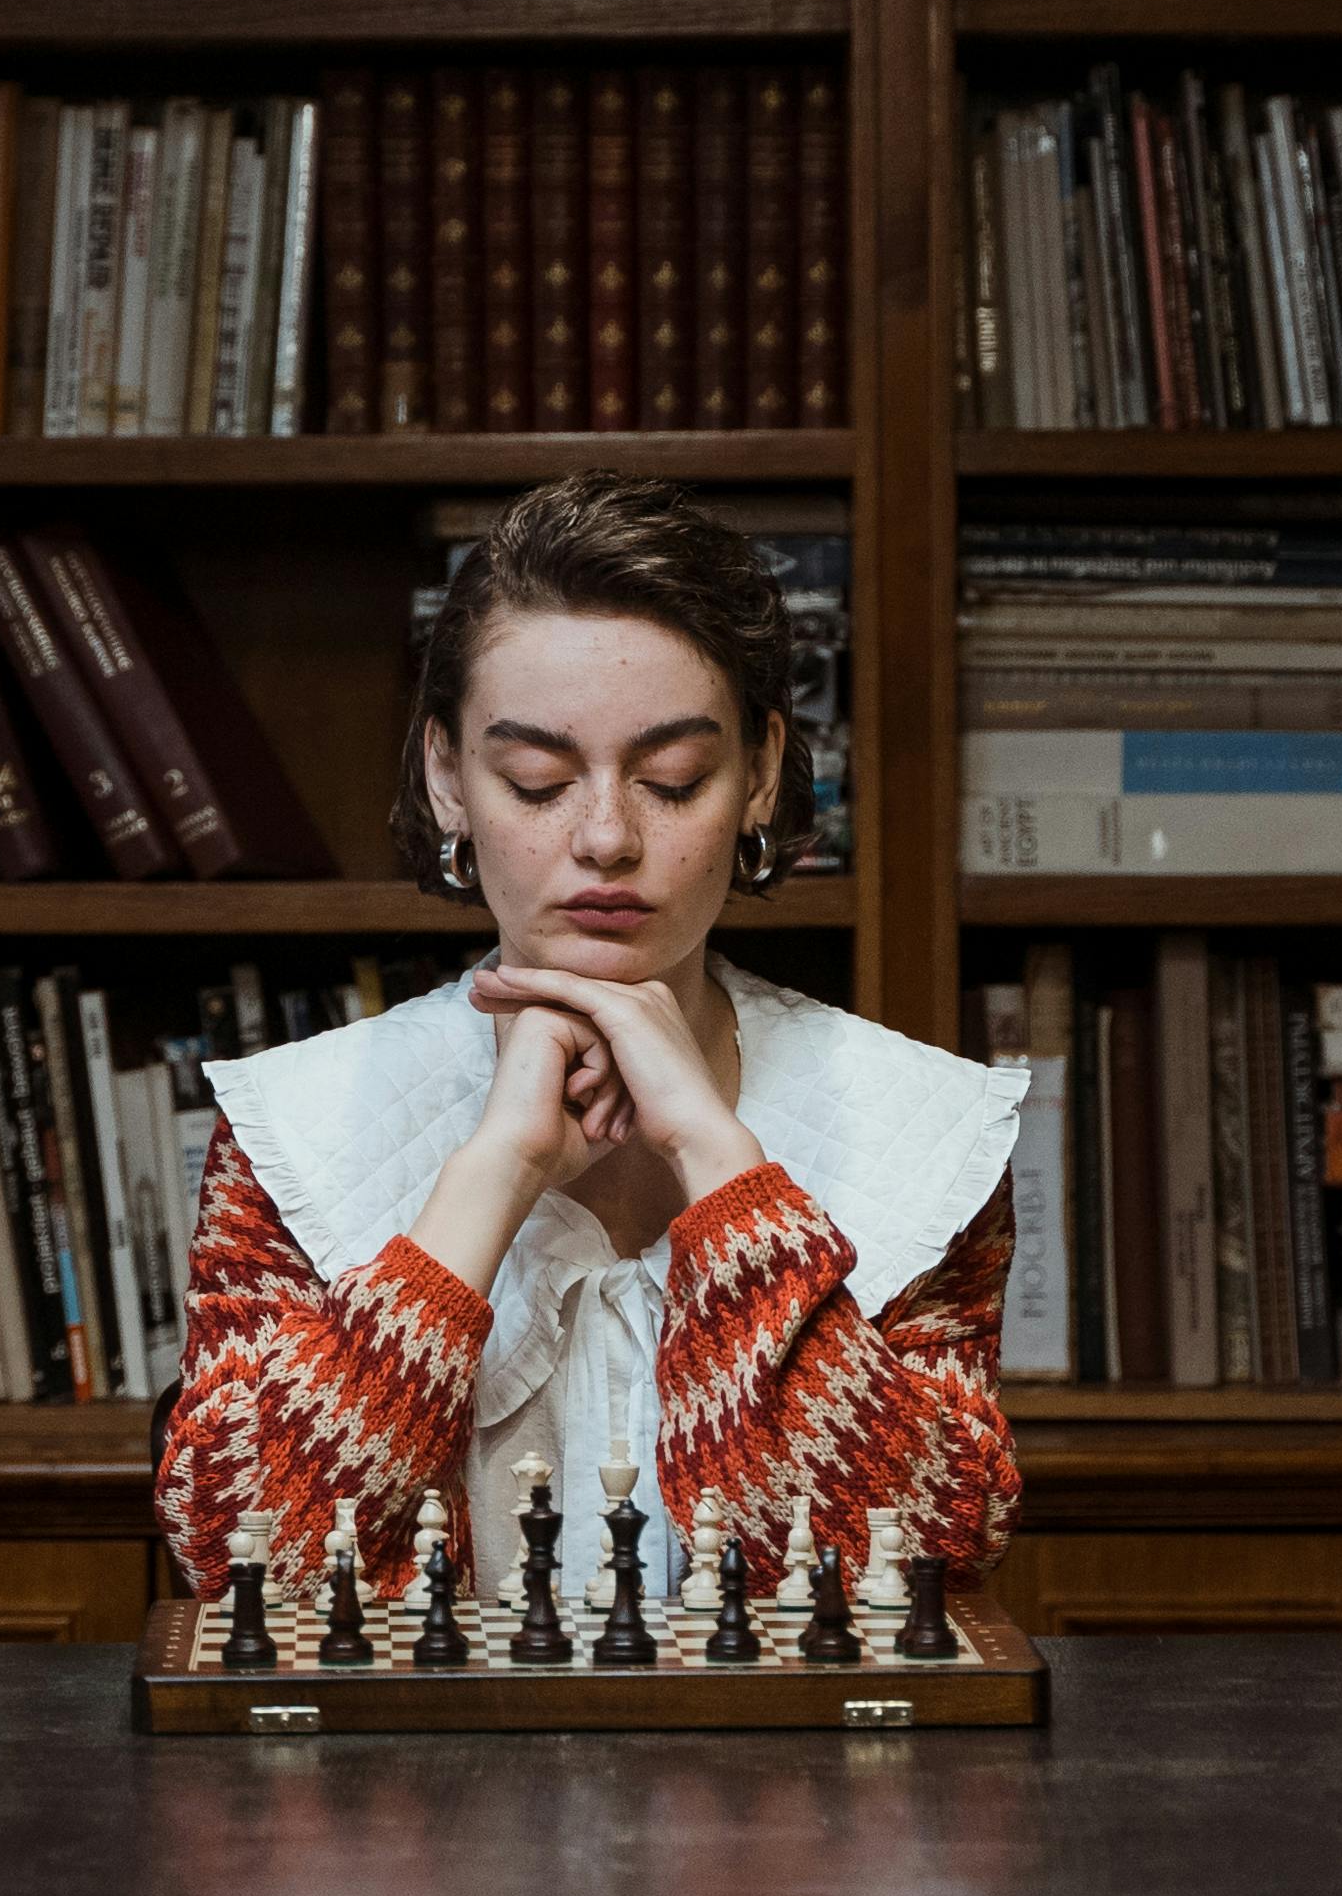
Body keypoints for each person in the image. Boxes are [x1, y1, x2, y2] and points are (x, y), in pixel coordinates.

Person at [154, 472, 1026, 1606]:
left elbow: (920, 1561)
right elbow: (237, 1553)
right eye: (538, 780)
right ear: (446, 777)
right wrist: (489, 1178)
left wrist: (725, 1173)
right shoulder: (295, 1128)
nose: (606, 836)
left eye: (673, 780)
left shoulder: (929, 1130)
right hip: (421, 1783)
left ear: (760, 774)